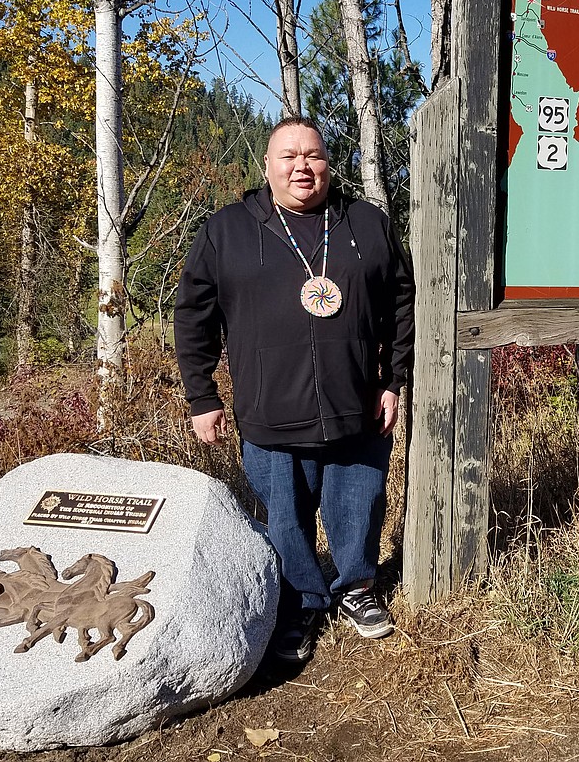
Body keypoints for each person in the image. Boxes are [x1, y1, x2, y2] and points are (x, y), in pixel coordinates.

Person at [174, 116, 414, 662]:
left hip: (357, 401)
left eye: (313, 155)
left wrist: (394, 379)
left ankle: (356, 586)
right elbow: (193, 316)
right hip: (270, 408)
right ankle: (301, 601)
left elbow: (403, 302)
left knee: (360, 500)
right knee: (283, 514)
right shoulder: (229, 229)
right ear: (267, 166)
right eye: (289, 156)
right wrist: (202, 395)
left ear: (328, 164)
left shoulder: (365, 224)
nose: (302, 166)